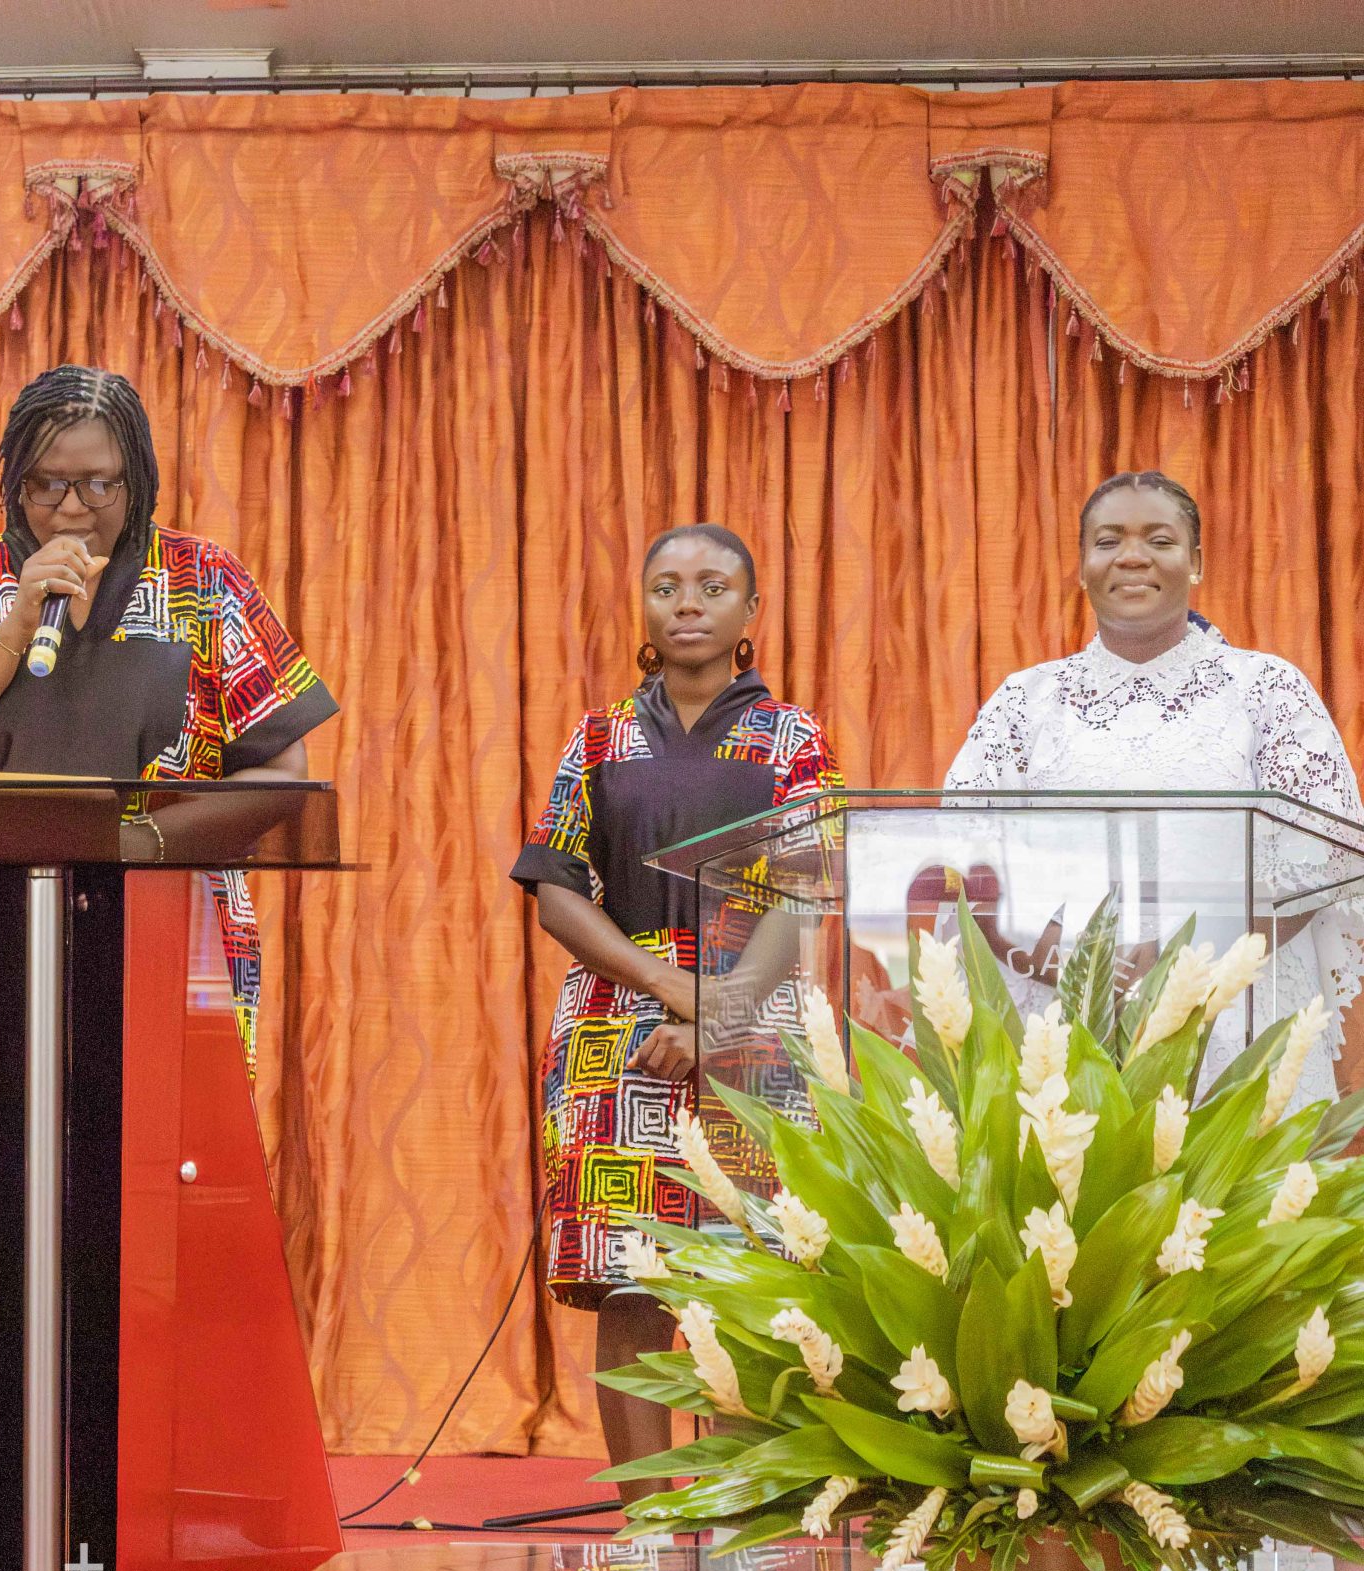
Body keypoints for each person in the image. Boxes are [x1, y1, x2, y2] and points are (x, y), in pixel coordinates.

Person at [0, 364, 337, 1056]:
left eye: (99, 483)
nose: (72, 508)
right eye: (46, 484)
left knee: (164, 1123)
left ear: (137, 481)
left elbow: (284, 776)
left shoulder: (206, 582)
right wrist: (13, 629)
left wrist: (136, 846)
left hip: (176, 933)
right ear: (15, 484)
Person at [513, 524, 841, 1502]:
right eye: (665, 586)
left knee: (756, 1281)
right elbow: (557, 890)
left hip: (760, 1029)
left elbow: (805, 887)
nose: (686, 603)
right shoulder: (599, 737)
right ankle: (647, 1531)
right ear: (644, 608)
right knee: (631, 1280)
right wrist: (669, 988)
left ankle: (749, 1525)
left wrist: (720, 1016)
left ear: (750, 612)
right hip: (618, 1034)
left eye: (711, 586)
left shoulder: (793, 739)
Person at [944, 471, 1364, 1102]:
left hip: (1235, 1013)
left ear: (1196, 562)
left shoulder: (1268, 690)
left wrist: (1187, 966)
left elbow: (1325, 856)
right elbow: (966, 862)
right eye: (1108, 541)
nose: (1132, 556)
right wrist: (1077, 968)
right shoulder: (1025, 702)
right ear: (1082, 567)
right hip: (1060, 1022)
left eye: (1160, 540)